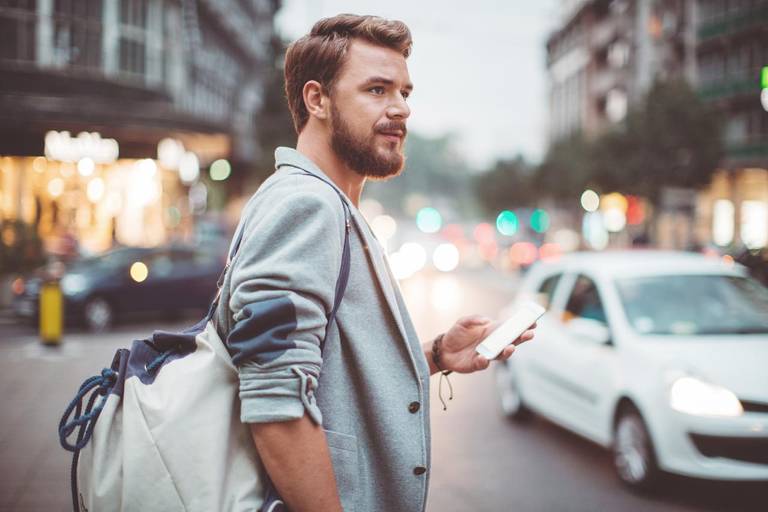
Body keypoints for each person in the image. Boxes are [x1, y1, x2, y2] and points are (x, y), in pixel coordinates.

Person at [214, 14, 536, 512]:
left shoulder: (331, 206)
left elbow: (325, 366)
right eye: (378, 90)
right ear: (317, 100)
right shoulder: (307, 206)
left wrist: (434, 354)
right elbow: (276, 402)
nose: (401, 109)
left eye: (405, 92)